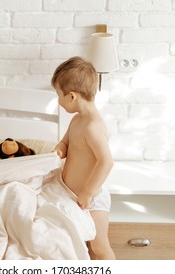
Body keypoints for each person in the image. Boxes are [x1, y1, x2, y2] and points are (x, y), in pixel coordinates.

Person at [51, 56, 115, 260]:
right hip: (71, 195)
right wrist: (59, 150)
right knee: (82, 245)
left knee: (99, 246)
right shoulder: (77, 120)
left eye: (58, 95)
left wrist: (88, 192)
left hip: (91, 198)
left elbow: (106, 162)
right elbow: (66, 143)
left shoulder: (92, 126)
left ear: (71, 96)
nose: (58, 100)